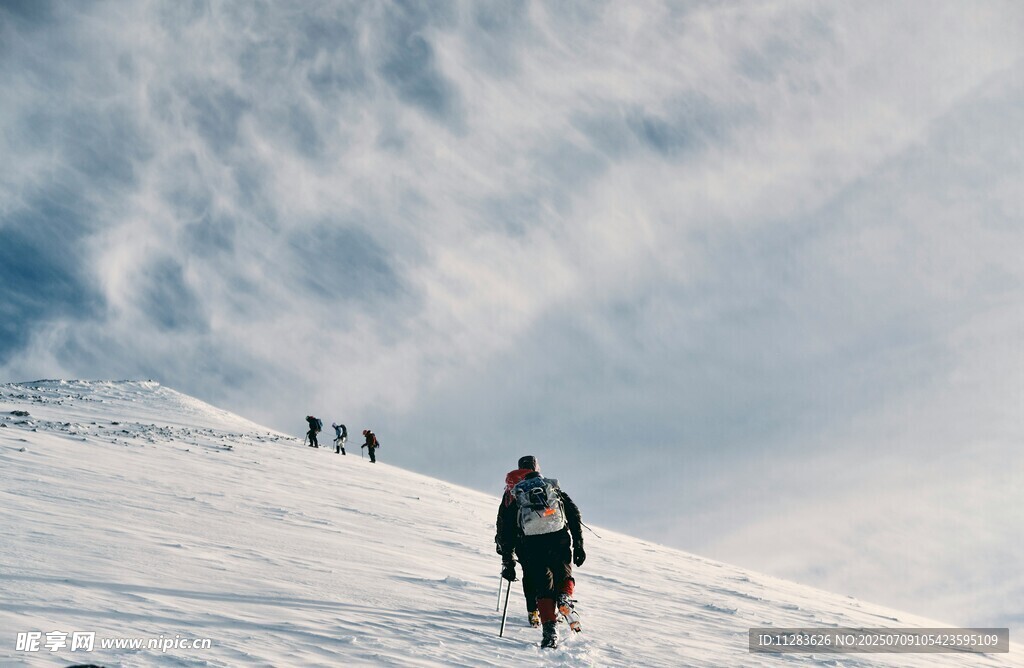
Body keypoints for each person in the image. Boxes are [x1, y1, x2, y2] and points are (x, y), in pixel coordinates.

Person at [495, 455, 586, 648]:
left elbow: (507, 529)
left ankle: (549, 632)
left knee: (544, 586)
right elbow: (573, 512)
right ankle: (564, 596)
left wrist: (508, 561)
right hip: (558, 538)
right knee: (564, 574)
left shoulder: (516, 493)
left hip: (530, 544)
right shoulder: (551, 488)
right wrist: (578, 544)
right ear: (537, 468)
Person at [495, 465, 540, 627]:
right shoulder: (540, 485)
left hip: (520, 540)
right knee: (547, 574)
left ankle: (533, 611)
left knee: (529, 575)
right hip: (542, 537)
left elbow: (503, 520)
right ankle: (550, 608)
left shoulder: (510, 489)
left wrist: (505, 553)